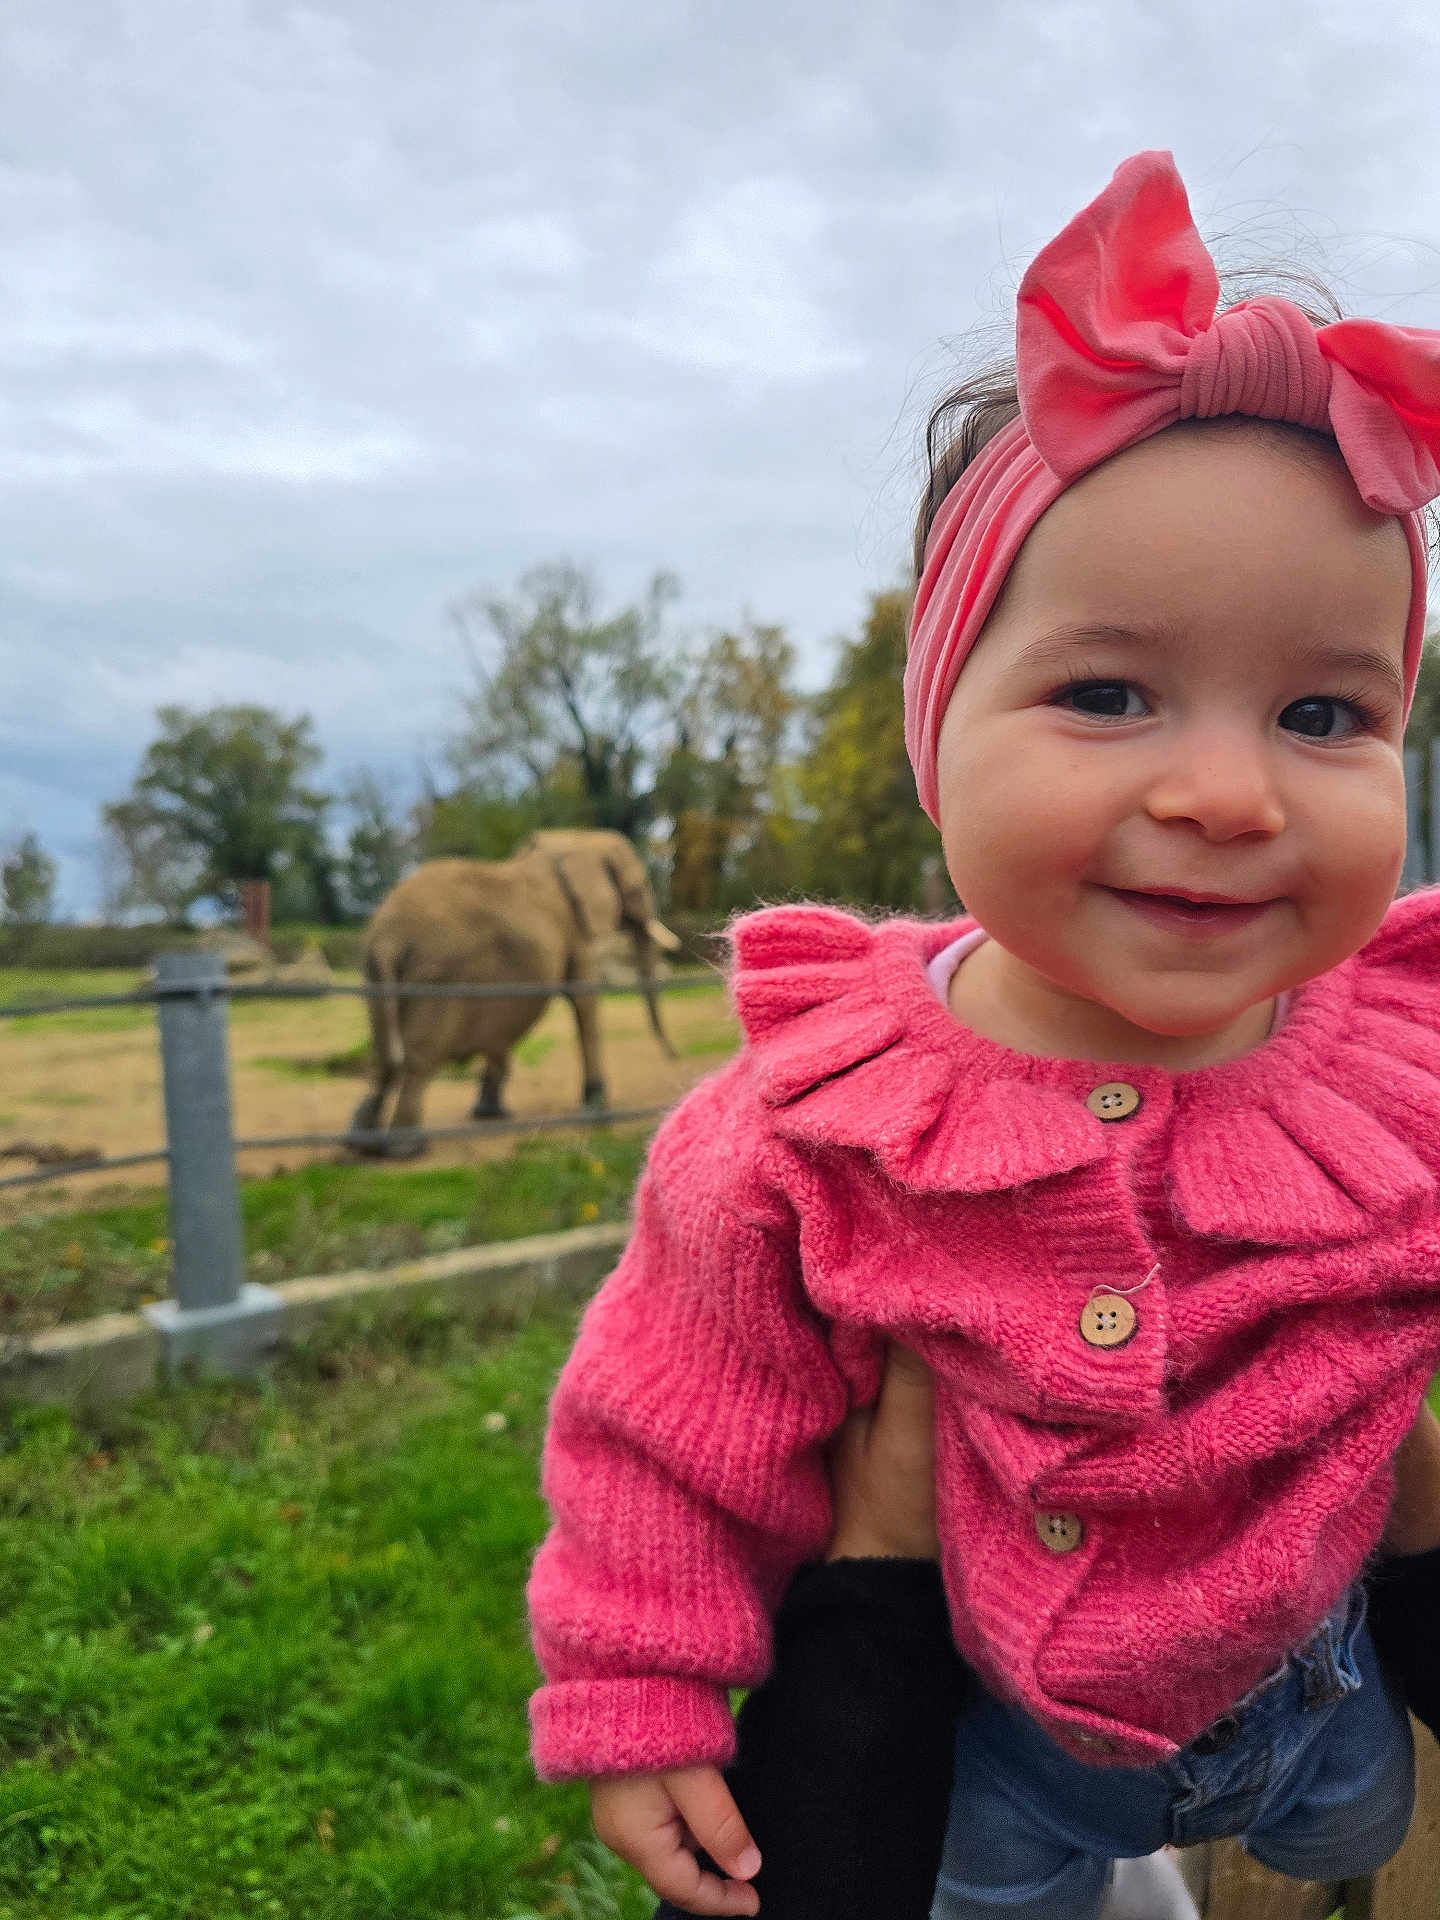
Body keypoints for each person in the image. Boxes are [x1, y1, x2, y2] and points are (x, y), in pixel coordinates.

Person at [527, 149, 1440, 1920]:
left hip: (1325, 1686)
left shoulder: (1411, 1067)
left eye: (1325, 712)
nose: (1227, 793)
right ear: (936, 730)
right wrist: (639, 1696)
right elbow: (668, 1423)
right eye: (1108, 695)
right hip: (980, 1736)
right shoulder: (810, 1125)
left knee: (1354, 1842)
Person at [651, 1344, 1440, 1920]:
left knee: (1347, 1836)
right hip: (1000, 1728)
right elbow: (672, 1356)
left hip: (1307, 1681)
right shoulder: (814, 1132)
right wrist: (635, 1675)